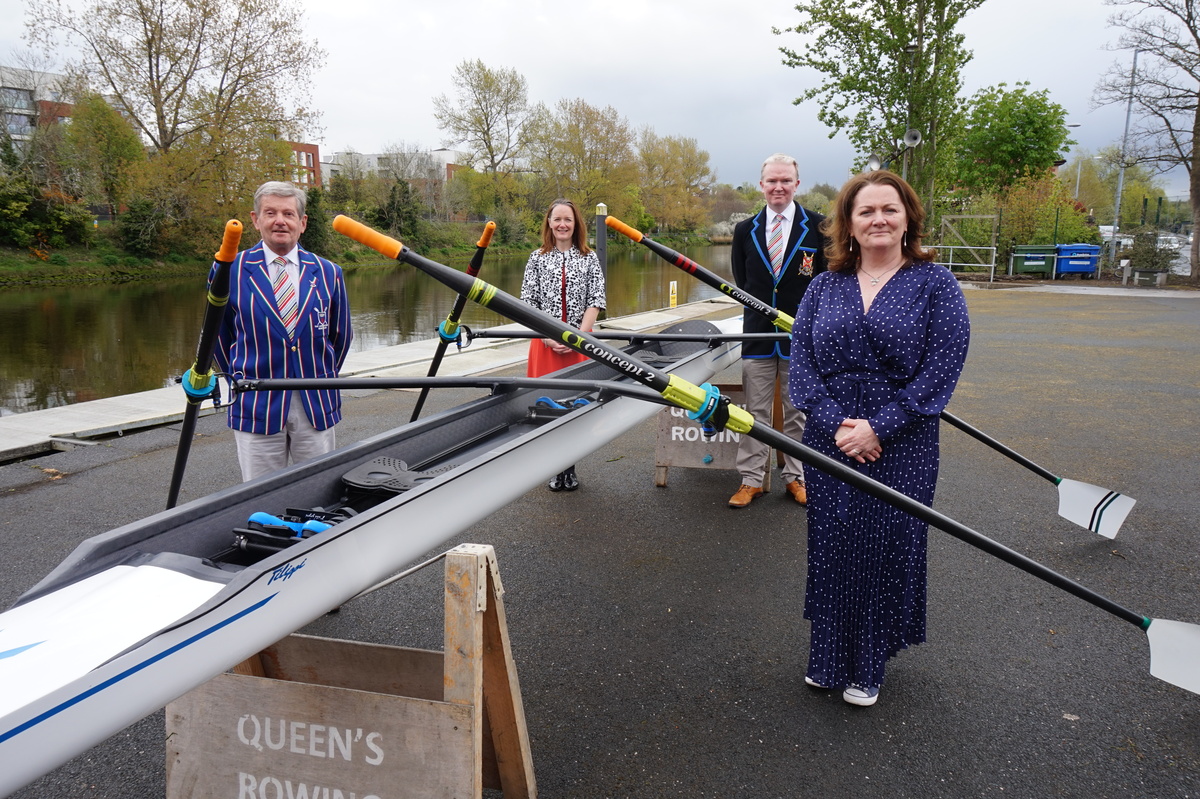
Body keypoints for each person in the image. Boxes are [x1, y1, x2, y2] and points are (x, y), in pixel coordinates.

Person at [787, 170, 970, 707]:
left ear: (908, 216)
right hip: (831, 437)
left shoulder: (937, 284)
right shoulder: (824, 285)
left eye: (889, 209)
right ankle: (827, 657)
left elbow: (941, 370)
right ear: (847, 224)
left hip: (903, 441)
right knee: (833, 545)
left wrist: (878, 427)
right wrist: (837, 423)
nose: (878, 220)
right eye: (865, 212)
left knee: (886, 545)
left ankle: (869, 663)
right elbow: (802, 365)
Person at [211, 181, 354, 481]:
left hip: (315, 401)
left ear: (302, 223)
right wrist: (241, 376)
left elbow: (340, 336)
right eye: (270, 212)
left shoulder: (329, 272)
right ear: (255, 219)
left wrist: (317, 373)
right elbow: (217, 336)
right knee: (260, 494)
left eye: (288, 214)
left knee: (319, 490)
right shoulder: (230, 269)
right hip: (256, 401)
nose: (280, 221)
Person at [728, 153, 827, 509]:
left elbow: (825, 283)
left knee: (798, 411)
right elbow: (743, 280)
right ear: (761, 185)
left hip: (801, 337)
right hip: (756, 335)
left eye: (786, 180)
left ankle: (796, 477)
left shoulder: (819, 227)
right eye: (772, 181)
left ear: (797, 185)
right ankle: (751, 479)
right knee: (753, 412)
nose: (779, 187)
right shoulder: (745, 230)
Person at [520, 198, 606, 491]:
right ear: (549, 223)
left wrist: (579, 337)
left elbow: (596, 300)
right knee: (546, 403)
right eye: (556, 219)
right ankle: (556, 468)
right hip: (544, 345)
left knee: (575, 403)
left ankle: (570, 466)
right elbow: (528, 303)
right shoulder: (536, 258)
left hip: (579, 345)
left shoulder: (589, 257)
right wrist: (547, 335)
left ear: (576, 223)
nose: (562, 224)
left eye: (567, 219)